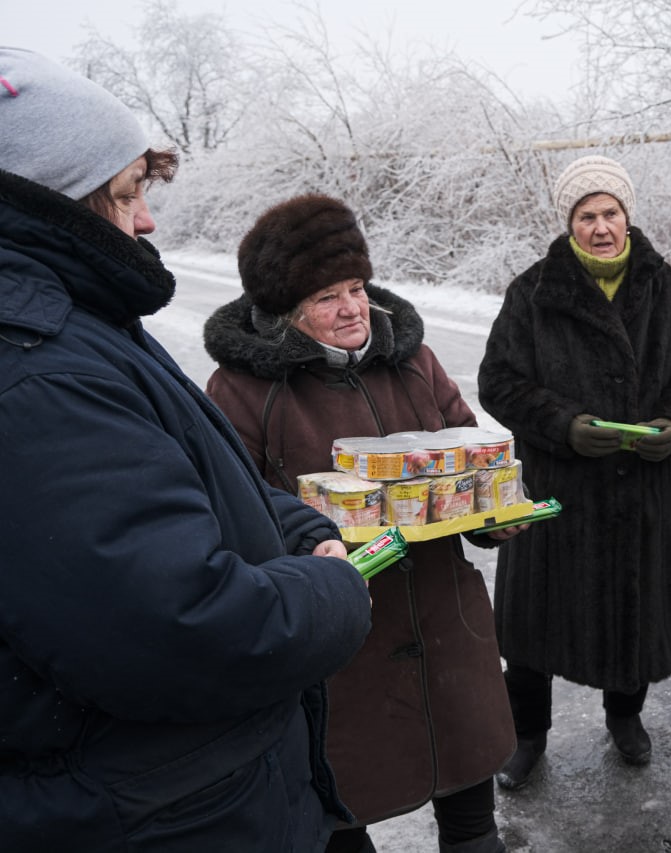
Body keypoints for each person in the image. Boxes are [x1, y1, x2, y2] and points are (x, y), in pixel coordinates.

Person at [0, 48, 372, 852]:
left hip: (191, 791)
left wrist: (299, 525)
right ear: (50, 199)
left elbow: (205, 484)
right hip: (162, 811)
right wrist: (335, 587)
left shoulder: (78, 328)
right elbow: (178, 627)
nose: (147, 219)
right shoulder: (38, 373)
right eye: (129, 192)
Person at [202, 194, 518, 853]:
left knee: (471, 817)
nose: (352, 308)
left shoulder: (413, 360)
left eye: (355, 287)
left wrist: (497, 514)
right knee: (342, 815)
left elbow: (468, 454)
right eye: (326, 296)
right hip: (338, 648)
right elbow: (231, 518)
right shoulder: (242, 391)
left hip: (442, 626)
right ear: (283, 309)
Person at [476, 155, 671, 789]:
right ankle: (525, 736)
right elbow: (498, 383)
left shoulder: (667, 288)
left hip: (642, 487)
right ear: (569, 221)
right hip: (559, 488)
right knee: (535, 626)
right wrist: (564, 425)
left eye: (611, 212)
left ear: (628, 217)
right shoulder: (532, 292)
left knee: (632, 609)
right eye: (587, 215)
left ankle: (626, 717)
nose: (601, 226)